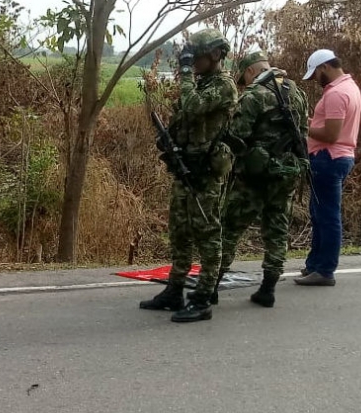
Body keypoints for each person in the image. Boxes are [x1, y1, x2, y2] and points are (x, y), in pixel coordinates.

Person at [140, 29, 237, 323]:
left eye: (198, 57)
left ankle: (203, 297)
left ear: (216, 55)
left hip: (206, 173)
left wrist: (183, 73)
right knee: (179, 232)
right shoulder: (201, 83)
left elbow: (194, 107)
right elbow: (184, 115)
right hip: (186, 169)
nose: (193, 62)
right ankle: (175, 289)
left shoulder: (223, 85)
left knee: (207, 235)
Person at [218, 52, 309, 307]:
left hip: (254, 178)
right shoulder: (297, 93)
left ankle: (210, 287)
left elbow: (237, 136)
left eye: (243, 79)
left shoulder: (254, 95)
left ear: (249, 72)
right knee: (277, 230)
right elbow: (303, 135)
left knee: (229, 229)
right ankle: (268, 289)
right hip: (285, 176)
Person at [296, 50, 361, 286]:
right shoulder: (350, 88)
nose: (315, 79)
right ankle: (315, 264)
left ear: (324, 67)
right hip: (338, 157)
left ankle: (324, 270)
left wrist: (301, 127)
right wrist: (311, 123)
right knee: (319, 212)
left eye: (315, 74)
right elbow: (331, 127)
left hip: (329, 157)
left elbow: (331, 134)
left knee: (327, 216)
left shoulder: (336, 93)